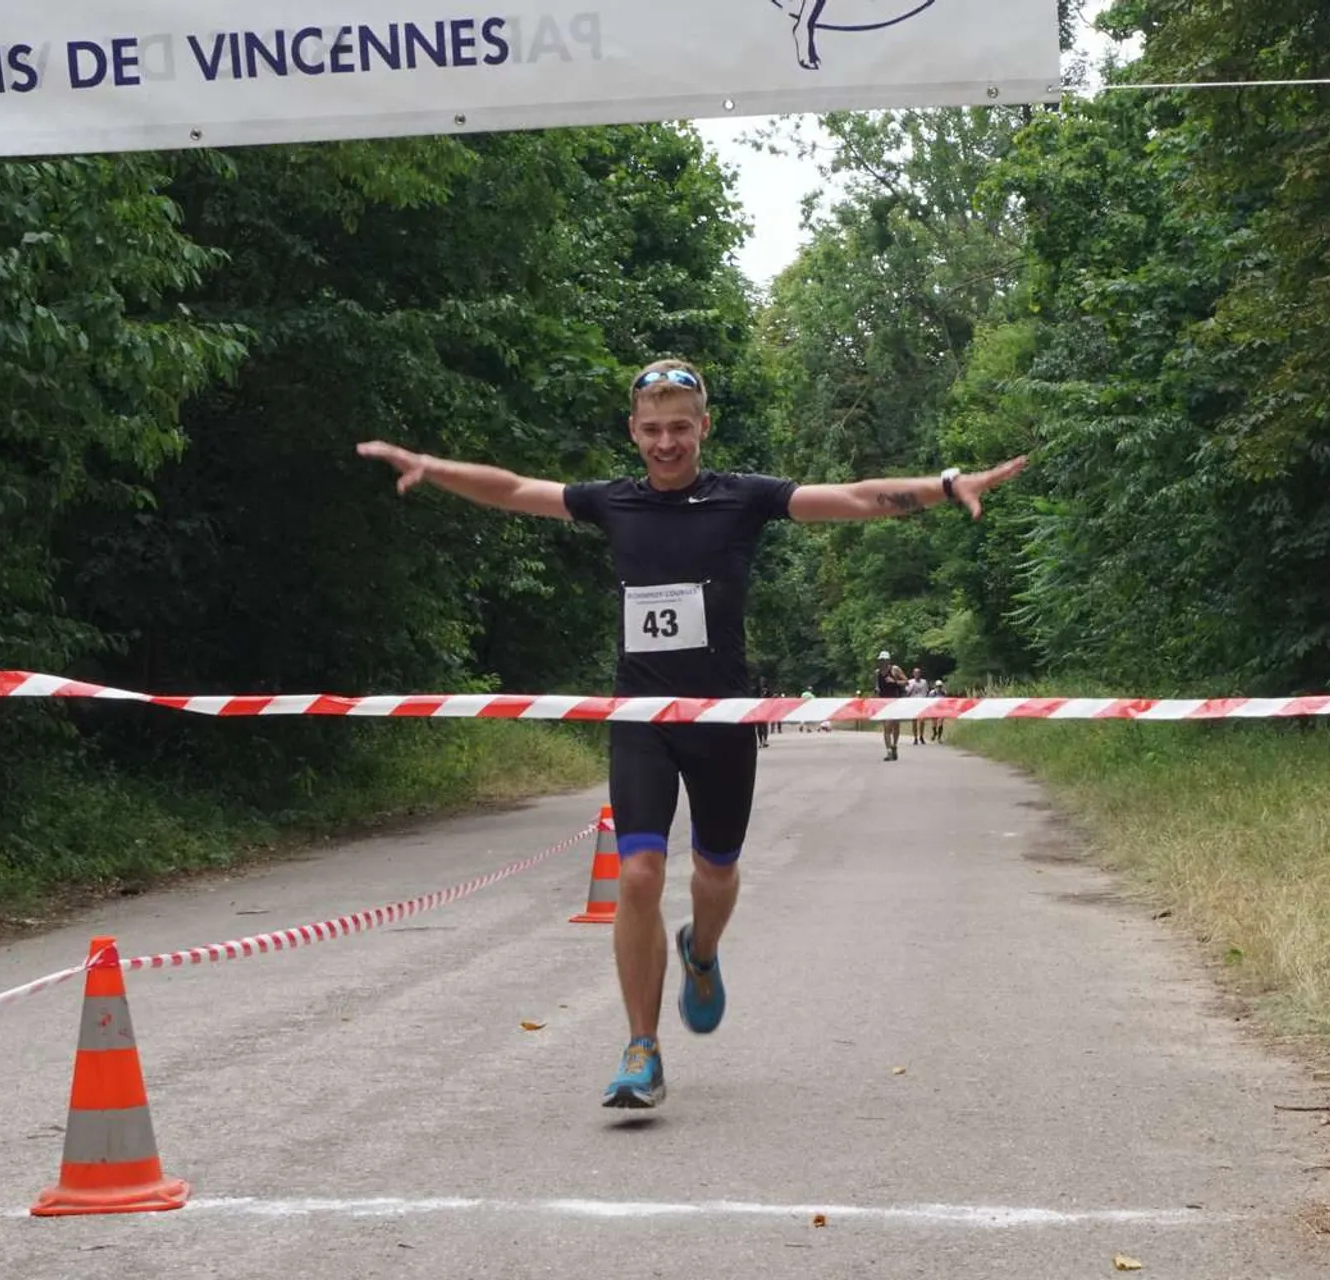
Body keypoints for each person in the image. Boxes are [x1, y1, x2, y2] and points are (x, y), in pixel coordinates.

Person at [358, 357, 1026, 1109]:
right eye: (652, 430)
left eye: (680, 428)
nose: (667, 443)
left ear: (704, 427)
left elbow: (854, 498)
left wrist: (943, 488)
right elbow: (513, 490)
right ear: (633, 433)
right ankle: (641, 1048)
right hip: (641, 720)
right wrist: (429, 466)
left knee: (714, 873)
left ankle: (701, 952)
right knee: (638, 874)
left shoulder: (742, 500)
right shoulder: (612, 502)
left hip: (721, 719)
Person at [874, 651, 907, 761]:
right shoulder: (877, 672)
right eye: (881, 660)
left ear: (888, 660)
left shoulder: (895, 669)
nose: (882, 662)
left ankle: (894, 746)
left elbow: (906, 681)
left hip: (896, 701)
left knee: (896, 726)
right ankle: (888, 751)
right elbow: (877, 685)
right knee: (887, 727)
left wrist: (895, 681)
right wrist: (877, 690)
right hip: (883, 703)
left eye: (884, 660)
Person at [906, 666, 930, 745]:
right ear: (913, 674)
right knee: (914, 722)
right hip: (913, 703)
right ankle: (915, 737)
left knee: (922, 721)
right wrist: (911, 688)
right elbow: (907, 693)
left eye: (918, 673)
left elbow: (926, 692)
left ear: (920, 674)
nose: (917, 674)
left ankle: (921, 736)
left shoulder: (924, 682)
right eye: (915, 673)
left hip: (922, 703)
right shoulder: (910, 682)